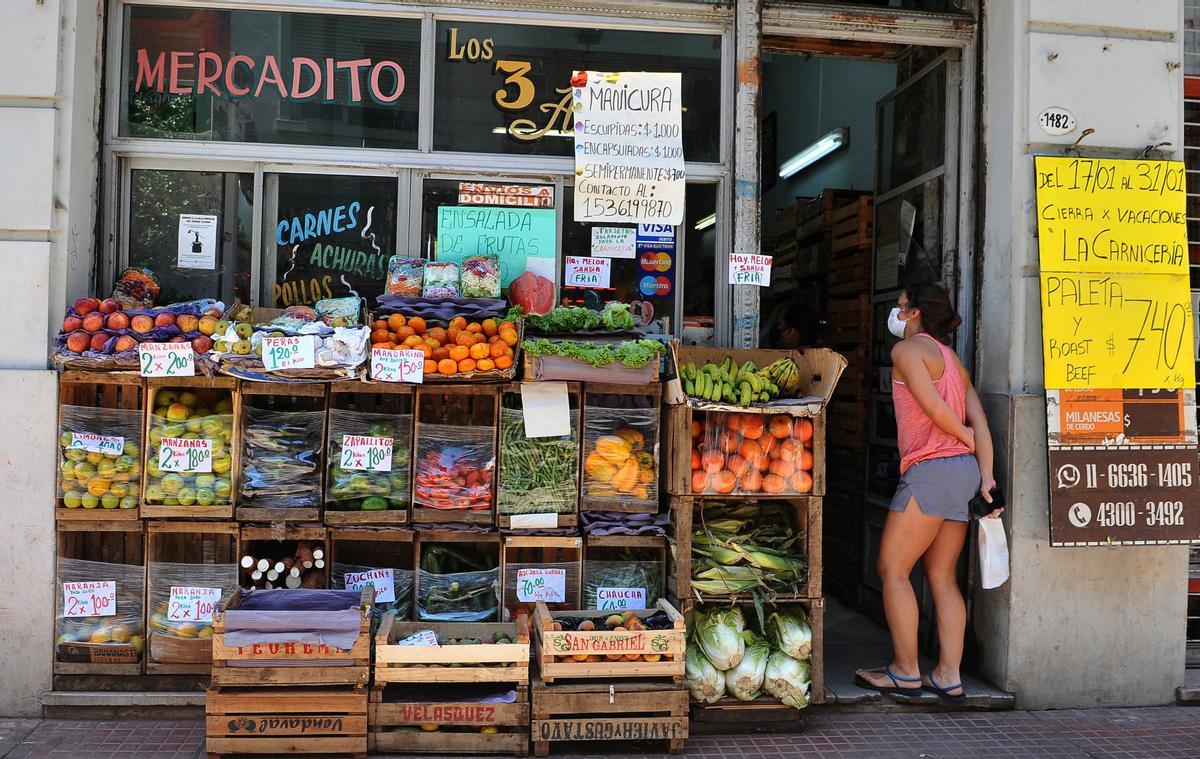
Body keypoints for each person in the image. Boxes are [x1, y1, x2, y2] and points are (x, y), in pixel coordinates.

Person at [854, 283, 1002, 703]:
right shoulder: (953, 361)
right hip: (963, 475)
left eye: (900, 306)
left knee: (893, 568)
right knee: (941, 576)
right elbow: (982, 422)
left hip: (931, 470)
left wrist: (965, 439)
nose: (896, 314)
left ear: (915, 312)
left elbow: (935, 408)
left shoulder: (907, 352)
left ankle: (905, 671)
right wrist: (985, 475)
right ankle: (948, 676)